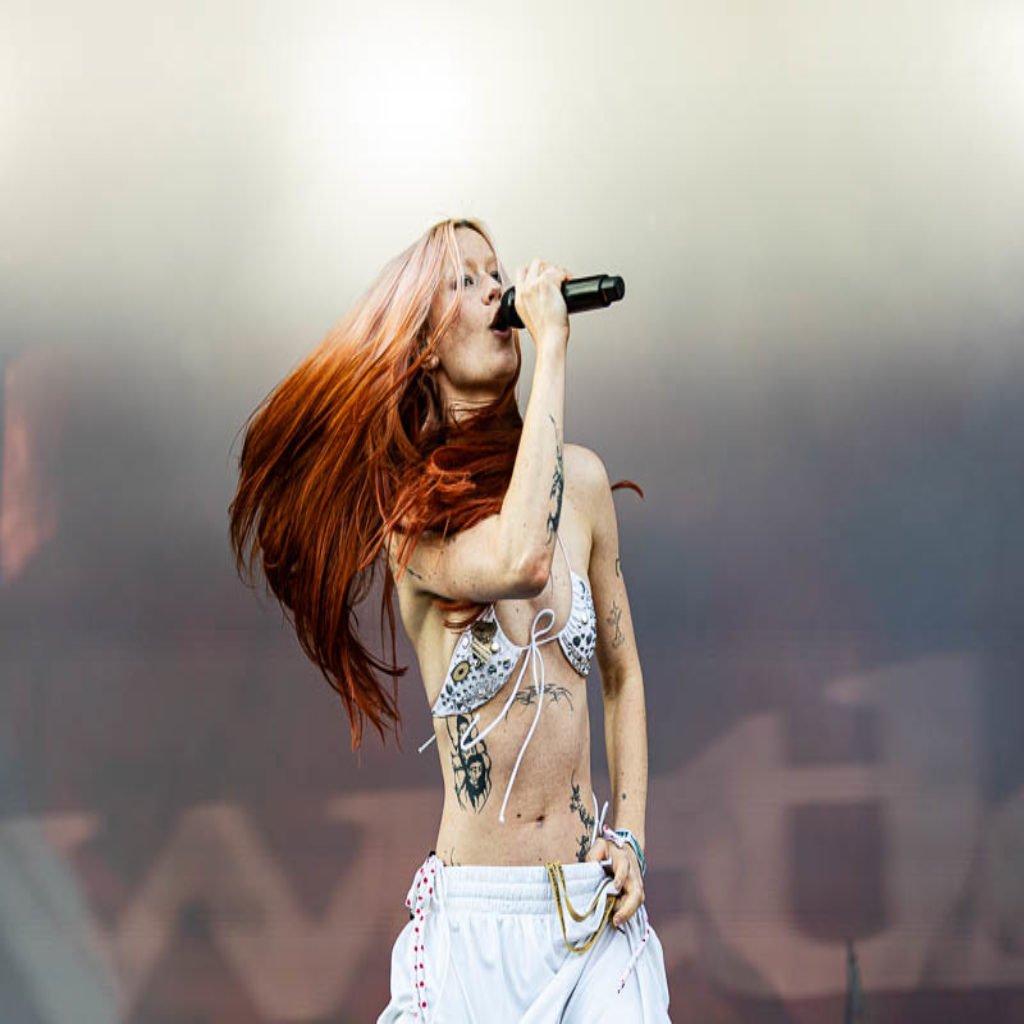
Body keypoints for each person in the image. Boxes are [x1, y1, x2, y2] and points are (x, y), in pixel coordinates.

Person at [228, 217, 671, 1021]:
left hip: (591, 911)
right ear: (426, 347)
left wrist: (632, 837)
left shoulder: (583, 485)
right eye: (466, 281)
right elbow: (521, 557)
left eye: (496, 273)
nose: (498, 290)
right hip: (477, 931)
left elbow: (623, 676)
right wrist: (555, 354)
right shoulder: (414, 524)